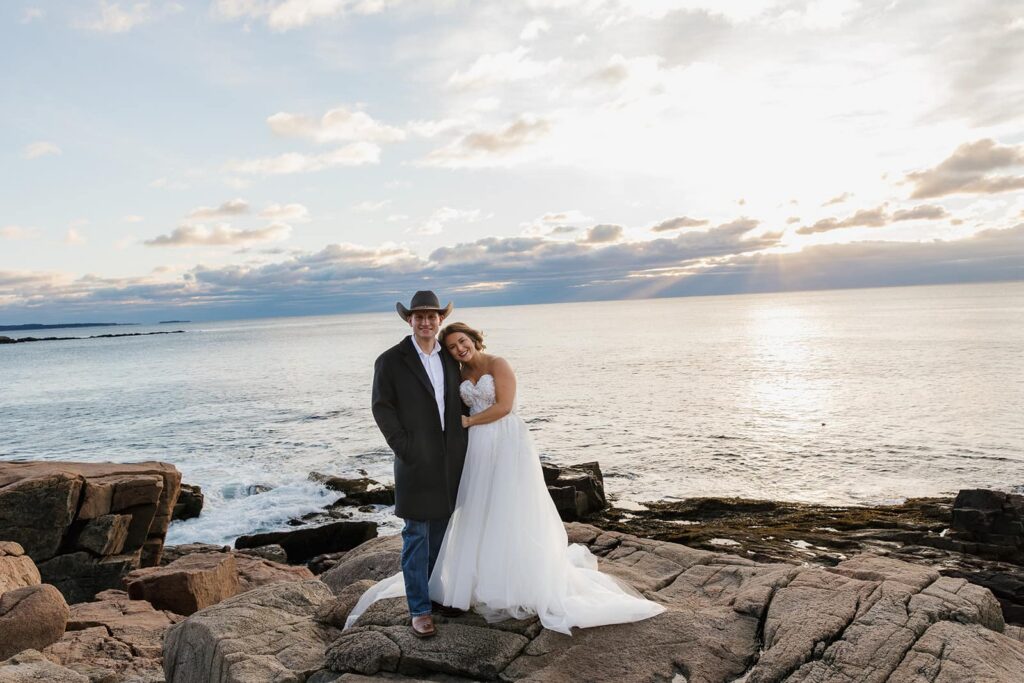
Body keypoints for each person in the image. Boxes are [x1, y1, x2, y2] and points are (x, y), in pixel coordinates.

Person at [351, 321, 664, 635]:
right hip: (474, 449)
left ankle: (512, 582)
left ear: (474, 339)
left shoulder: (497, 364)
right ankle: (462, 586)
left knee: (509, 507)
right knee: (478, 512)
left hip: (506, 442)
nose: (459, 348)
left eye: (463, 341)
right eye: (453, 347)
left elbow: (504, 406)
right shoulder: (453, 372)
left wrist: (469, 420)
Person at [370, 291, 468, 638]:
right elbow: (382, 407)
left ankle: (432, 594)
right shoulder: (391, 360)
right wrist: (403, 446)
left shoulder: (450, 360)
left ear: (440, 320)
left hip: (449, 461)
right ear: (409, 320)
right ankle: (419, 609)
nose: (426, 322)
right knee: (416, 536)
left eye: (432, 317)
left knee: (440, 535)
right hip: (414, 460)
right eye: (419, 317)